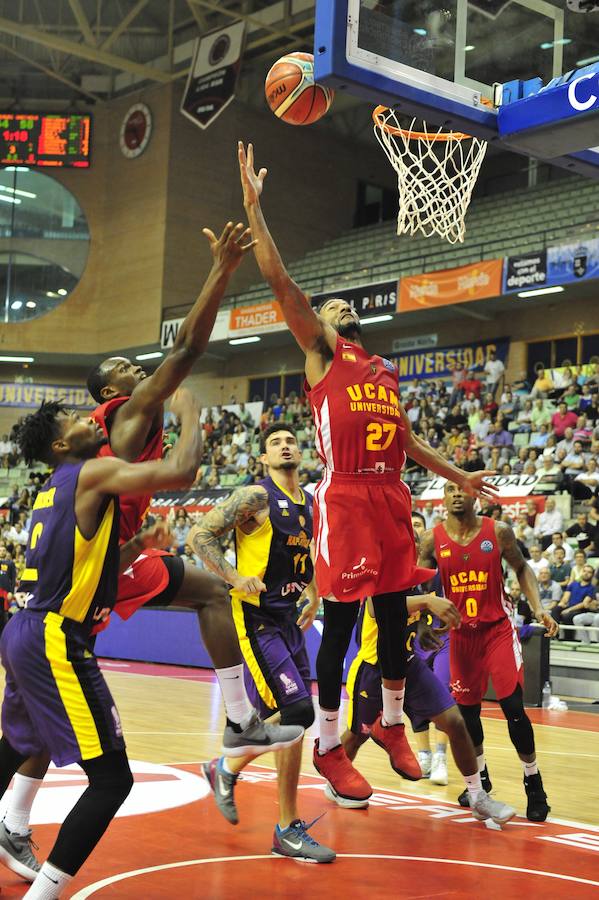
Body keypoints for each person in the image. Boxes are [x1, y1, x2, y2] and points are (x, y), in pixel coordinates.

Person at [1, 222, 301, 879]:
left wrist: (139, 538)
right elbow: (189, 348)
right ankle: (242, 720)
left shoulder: (79, 466)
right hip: (87, 588)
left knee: (27, 728)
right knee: (210, 594)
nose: (141, 374)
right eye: (128, 373)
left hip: (98, 567)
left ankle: (12, 821)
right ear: (110, 396)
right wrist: (220, 271)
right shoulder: (123, 423)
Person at [238, 140, 499, 806]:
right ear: (316, 326)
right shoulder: (322, 357)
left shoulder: (382, 372)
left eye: (344, 305)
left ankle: (386, 723)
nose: (339, 306)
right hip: (349, 494)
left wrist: (457, 478)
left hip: (391, 492)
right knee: (348, 620)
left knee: (388, 612)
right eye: (328, 306)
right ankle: (328, 742)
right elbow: (282, 285)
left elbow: (406, 441)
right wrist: (255, 213)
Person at [0, 392, 202, 897]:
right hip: (53, 636)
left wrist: (138, 547)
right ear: (62, 442)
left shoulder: (54, 488)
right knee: (112, 780)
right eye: (75, 419)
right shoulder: (90, 472)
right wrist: (190, 411)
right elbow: (182, 470)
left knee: (18, 746)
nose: (90, 419)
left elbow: (81, 560)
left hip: (24, 629)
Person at [191, 423, 334, 863]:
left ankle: (264, 807)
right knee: (295, 712)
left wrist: (313, 591)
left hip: (289, 619)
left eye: (291, 440)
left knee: (292, 723)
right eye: (276, 442)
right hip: (255, 619)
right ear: (264, 459)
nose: (285, 445)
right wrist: (234, 577)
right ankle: (244, 783)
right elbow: (200, 535)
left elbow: (302, 554)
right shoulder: (255, 497)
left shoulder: (310, 502)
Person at [418, 481, 558, 822]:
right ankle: (480, 778)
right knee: (468, 716)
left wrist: (537, 607)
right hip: (461, 634)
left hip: (496, 629)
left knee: (513, 707)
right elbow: (417, 579)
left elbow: (522, 567)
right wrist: (421, 620)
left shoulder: (499, 531)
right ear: (444, 498)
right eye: (449, 489)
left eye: (461, 489)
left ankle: (533, 781)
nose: (454, 494)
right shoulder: (431, 539)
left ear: (474, 496)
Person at [337, 596, 516, 826]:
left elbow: (412, 613)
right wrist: (427, 602)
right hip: (374, 669)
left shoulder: (414, 575)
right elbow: (379, 604)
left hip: (408, 665)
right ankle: (336, 782)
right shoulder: (381, 568)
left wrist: (422, 626)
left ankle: (477, 796)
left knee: (455, 722)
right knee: (357, 734)